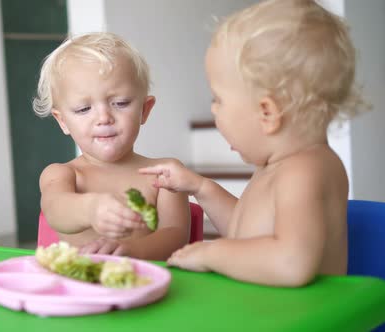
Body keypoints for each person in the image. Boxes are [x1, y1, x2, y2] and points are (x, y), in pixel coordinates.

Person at [139, 0, 368, 286]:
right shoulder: (276, 166)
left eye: (218, 99)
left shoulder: (305, 171)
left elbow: (291, 263)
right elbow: (247, 234)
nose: (213, 109)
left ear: (267, 113)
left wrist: (213, 252)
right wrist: (201, 188)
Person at [34, 32, 190, 260]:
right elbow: (55, 209)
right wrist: (90, 208)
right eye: (83, 109)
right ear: (63, 121)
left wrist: (132, 251)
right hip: (80, 290)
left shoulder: (165, 175)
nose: (104, 117)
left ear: (144, 110)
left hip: (145, 286)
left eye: (120, 103)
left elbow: (175, 235)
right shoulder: (63, 174)